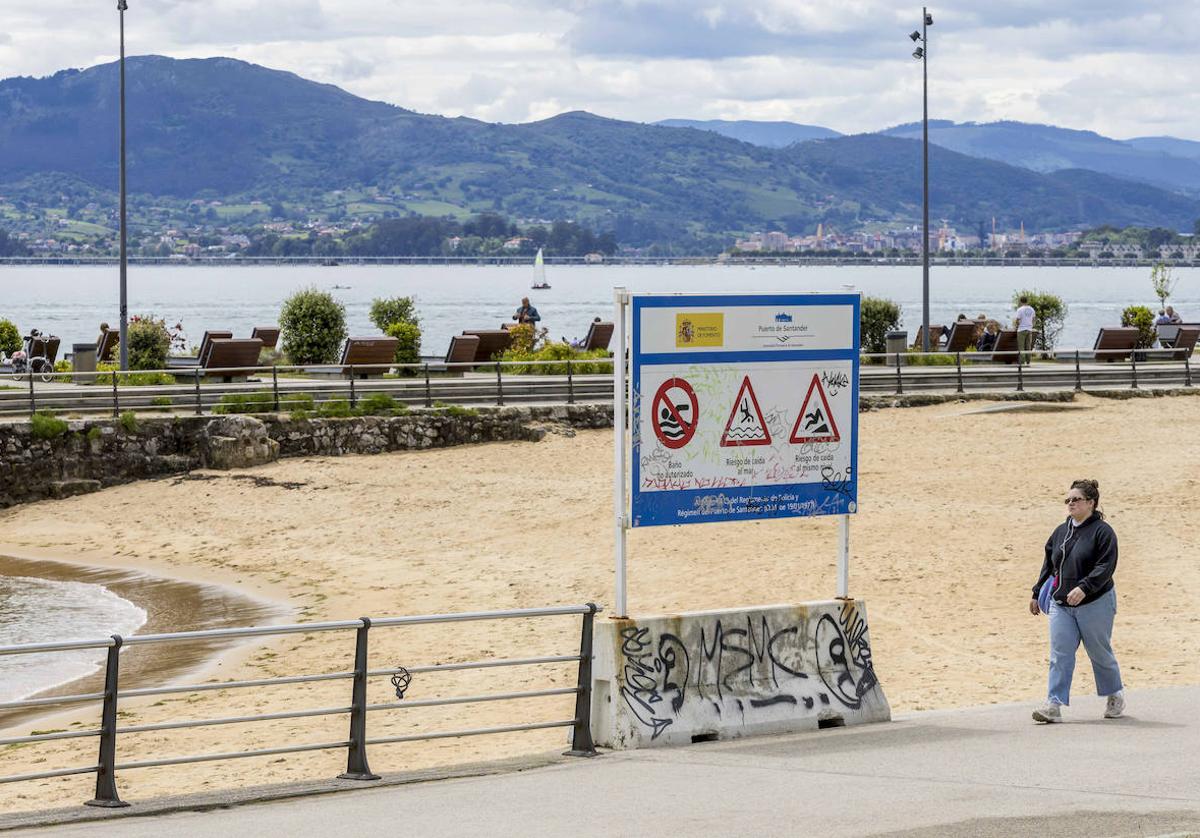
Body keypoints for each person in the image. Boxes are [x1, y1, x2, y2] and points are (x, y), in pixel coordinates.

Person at [1028, 479, 1124, 723]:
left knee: (1099, 653)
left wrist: (1085, 587)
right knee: (1060, 654)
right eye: (1067, 500)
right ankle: (1054, 705)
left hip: (1096, 602)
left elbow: (1106, 566)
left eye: (1076, 499)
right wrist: (1036, 592)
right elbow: (1049, 564)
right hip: (1062, 605)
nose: (1070, 503)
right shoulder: (1061, 531)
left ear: (1091, 503)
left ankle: (1114, 695)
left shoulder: (1103, 532)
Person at [1014, 296, 1035, 363]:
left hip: (1021, 329)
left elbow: (1017, 320)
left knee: (1021, 347)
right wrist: (1031, 325)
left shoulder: (1020, 310)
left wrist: (1016, 326)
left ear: (1020, 301)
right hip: (1029, 329)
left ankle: (1022, 362)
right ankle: (1028, 361)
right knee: (1028, 346)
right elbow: (1034, 319)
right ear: (1027, 301)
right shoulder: (1032, 309)